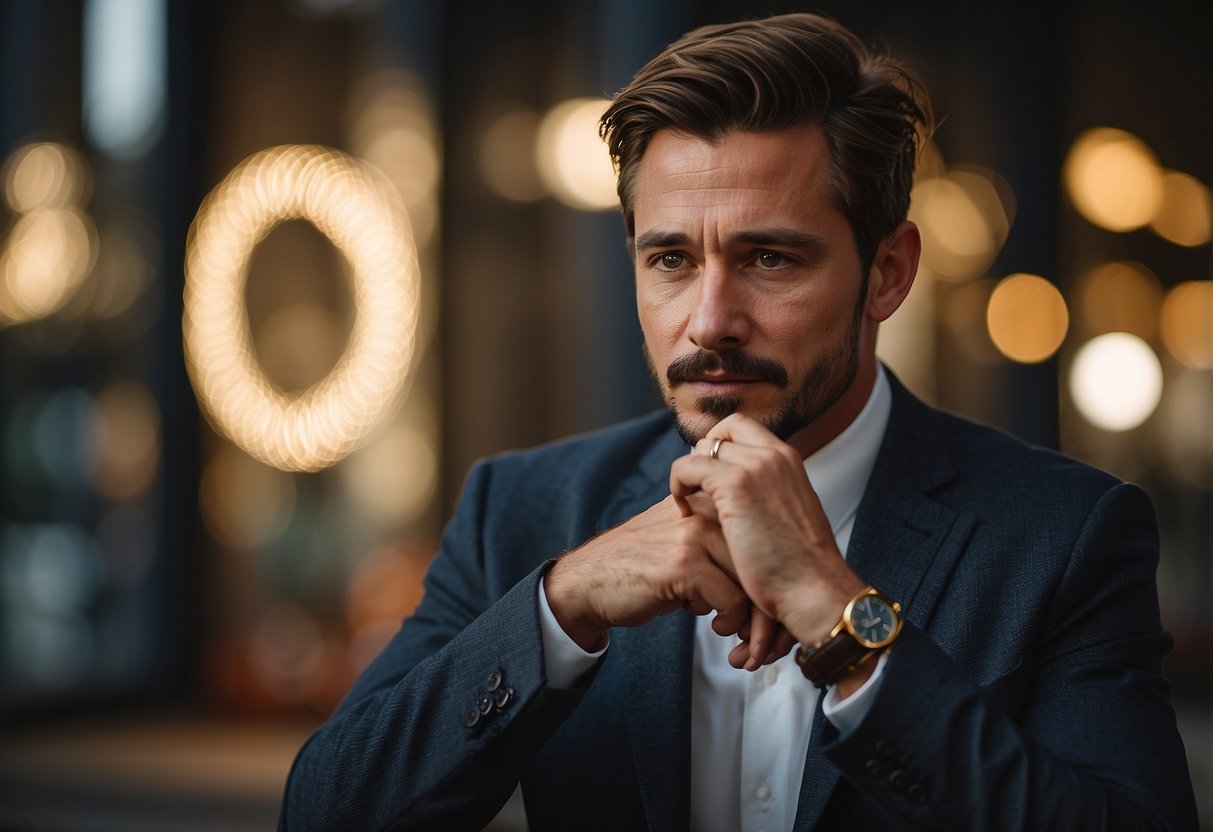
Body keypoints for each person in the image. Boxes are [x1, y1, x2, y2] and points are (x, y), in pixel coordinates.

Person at [279, 13, 1197, 831]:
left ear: (886, 272)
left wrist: (844, 623)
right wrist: (561, 605)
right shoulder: (522, 512)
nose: (710, 319)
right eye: (670, 259)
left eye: (769, 258)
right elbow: (326, 811)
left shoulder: (1063, 535)